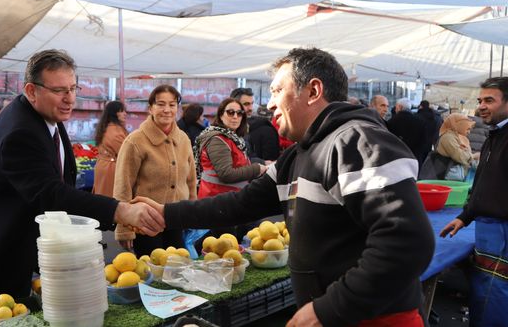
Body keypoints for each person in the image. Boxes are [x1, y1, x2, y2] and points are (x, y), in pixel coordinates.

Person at [136, 47, 434, 327]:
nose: (269, 102)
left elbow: (407, 241)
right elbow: (239, 205)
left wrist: (327, 308)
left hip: (376, 318)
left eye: (278, 90)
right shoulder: (297, 155)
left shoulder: (358, 142)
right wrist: (166, 214)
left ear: (313, 91)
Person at [0, 50, 163, 320]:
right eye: (60, 90)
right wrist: (119, 210)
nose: (70, 98)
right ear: (31, 90)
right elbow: (51, 194)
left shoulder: (47, 116)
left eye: (73, 88)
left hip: (22, 246)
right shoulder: (20, 132)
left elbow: (63, 180)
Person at [440, 77, 508, 327]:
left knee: (494, 297)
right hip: (488, 229)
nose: (481, 106)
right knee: (485, 294)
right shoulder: (496, 134)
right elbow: (484, 185)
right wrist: (464, 217)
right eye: (480, 100)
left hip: (502, 231)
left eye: (489, 100)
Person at [113, 84, 196, 257]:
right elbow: (123, 185)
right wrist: (123, 228)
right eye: (160, 104)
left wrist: (192, 213)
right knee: (152, 273)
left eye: (172, 105)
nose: (167, 110)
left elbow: (190, 180)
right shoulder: (135, 141)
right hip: (145, 222)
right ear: (150, 108)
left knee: (177, 268)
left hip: (176, 217)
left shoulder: (183, 139)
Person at [193, 98, 266, 241]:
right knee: (224, 253)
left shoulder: (233, 139)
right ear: (221, 115)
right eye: (230, 112)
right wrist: (257, 169)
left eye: (239, 113)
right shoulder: (217, 139)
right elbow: (226, 174)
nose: (235, 117)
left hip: (230, 203)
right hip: (218, 205)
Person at [230, 87, 279, 163]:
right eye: (246, 104)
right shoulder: (227, 129)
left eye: (252, 103)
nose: (250, 108)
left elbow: (272, 165)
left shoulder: (266, 131)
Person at [92, 100, 128, 197]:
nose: (125, 114)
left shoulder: (106, 127)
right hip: (110, 170)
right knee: (110, 202)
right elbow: (127, 154)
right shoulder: (116, 131)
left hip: (103, 166)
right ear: (114, 113)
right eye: (121, 111)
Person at [435, 113, 477, 181]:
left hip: (459, 175)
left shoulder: (460, 137)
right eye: (467, 129)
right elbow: (460, 156)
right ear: (459, 126)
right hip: (448, 175)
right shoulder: (448, 137)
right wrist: (474, 156)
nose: (469, 132)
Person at [387, 98, 428, 164]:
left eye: (396, 107)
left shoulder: (392, 121)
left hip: (397, 160)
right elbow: (424, 143)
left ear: (400, 107)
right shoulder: (421, 122)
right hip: (414, 159)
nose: (395, 109)